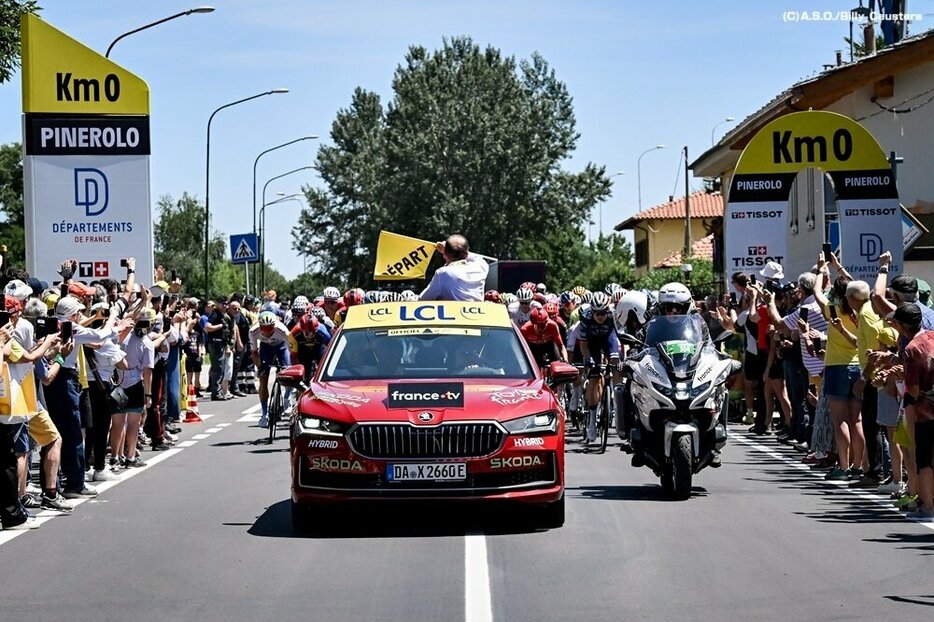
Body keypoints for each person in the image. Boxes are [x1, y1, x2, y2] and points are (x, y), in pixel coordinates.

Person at [893, 303, 934, 521]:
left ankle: (928, 504)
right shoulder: (932, 337)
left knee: (924, 458)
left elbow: (914, 389)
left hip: (925, 411)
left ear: (900, 325)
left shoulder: (912, 349)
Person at [250, 311, 291, 428]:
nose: (267, 331)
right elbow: (254, 353)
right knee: (263, 379)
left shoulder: (282, 330)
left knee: (289, 372)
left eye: (270, 328)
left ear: (274, 325)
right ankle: (264, 414)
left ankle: (287, 397)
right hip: (266, 348)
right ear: (260, 326)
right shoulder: (253, 331)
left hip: (282, 347)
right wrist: (260, 368)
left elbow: (292, 351)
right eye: (264, 328)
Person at [419, 234, 490, 302]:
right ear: (466, 253)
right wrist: (448, 250)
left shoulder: (443, 274)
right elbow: (476, 257)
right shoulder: (481, 267)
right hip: (478, 313)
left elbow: (423, 300)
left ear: (444, 255)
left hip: (454, 314)